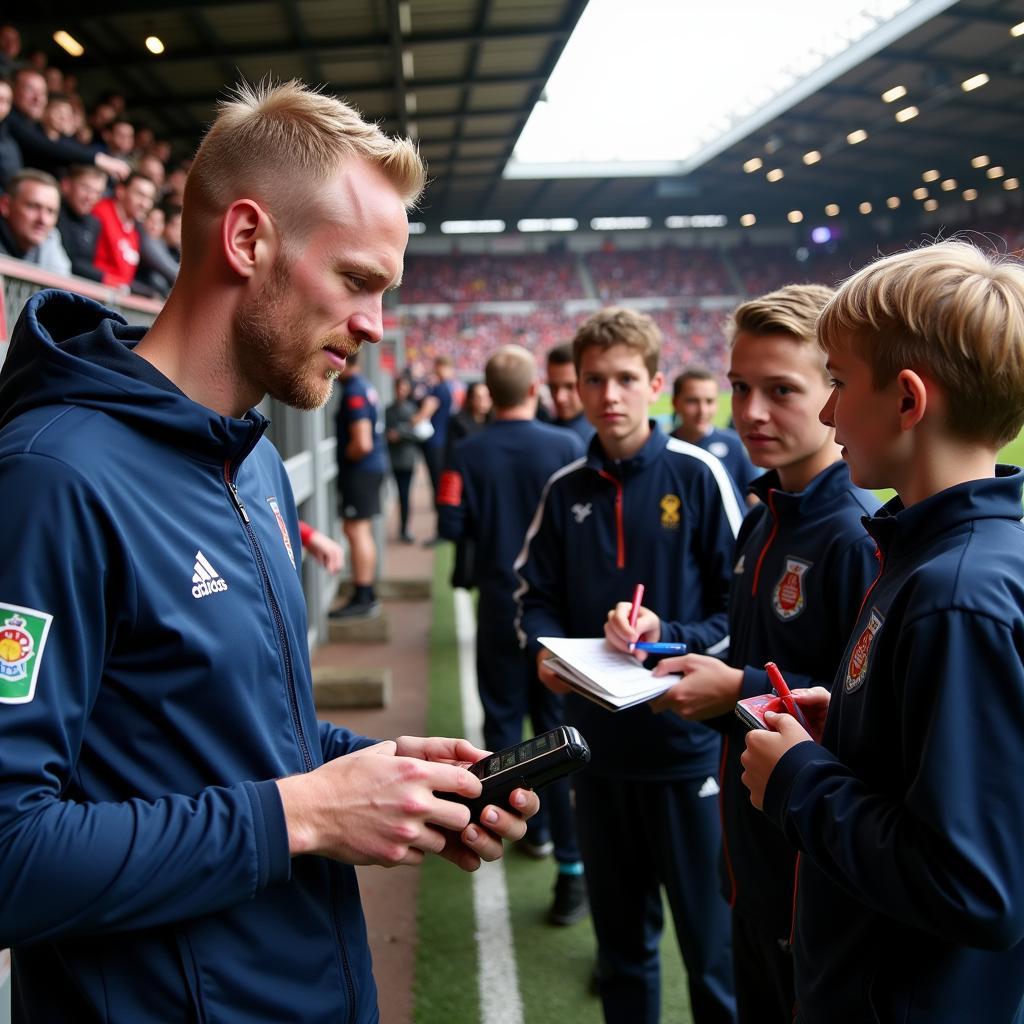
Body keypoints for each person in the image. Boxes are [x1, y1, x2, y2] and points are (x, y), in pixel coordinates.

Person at [0, 78, 538, 1023]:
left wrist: (384, 776)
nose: (376, 325)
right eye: (358, 281)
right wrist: (309, 814)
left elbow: (232, 736)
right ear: (247, 240)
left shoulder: (249, 465)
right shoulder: (52, 480)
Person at [740, 241, 1024, 1024]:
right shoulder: (933, 555)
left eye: (836, 381)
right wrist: (855, 731)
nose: (828, 413)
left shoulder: (955, 595)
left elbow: (974, 887)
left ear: (907, 400)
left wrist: (801, 780)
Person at [606, 284, 879, 1023]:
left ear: (834, 394)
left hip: (813, 869)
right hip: (751, 853)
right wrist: (674, 641)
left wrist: (739, 690)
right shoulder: (764, 520)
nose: (750, 412)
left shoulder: (856, 535)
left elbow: (868, 715)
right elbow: (739, 639)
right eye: (739, 388)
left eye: (781, 390)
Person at [515, 306, 743, 1024]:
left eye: (624, 379)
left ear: (655, 384)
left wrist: (667, 633)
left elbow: (740, 613)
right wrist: (548, 653)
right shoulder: (565, 491)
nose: (608, 395)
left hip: (689, 757)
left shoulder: (700, 476)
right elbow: (533, 599)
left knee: (712, 958)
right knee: (622, 955)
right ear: (576, 388)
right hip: (597, 755)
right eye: (593, 380)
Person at [438, 345, 588, 925]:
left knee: (503, 729)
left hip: (500, 608)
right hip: (553, 616)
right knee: (561, 734)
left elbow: (453, 523)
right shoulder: (567, 445)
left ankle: (521, 830)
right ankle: (572, 869)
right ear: (535, 391)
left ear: (489, 394)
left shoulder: (467, 451)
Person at [331, 348, 387, 620]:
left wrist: (344, 457)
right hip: (370, 469)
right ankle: (366, 593)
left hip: (360, 470)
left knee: (355, 530)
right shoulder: (364, 386)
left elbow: (362, 443)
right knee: (358, 529)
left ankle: (363, 595)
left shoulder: (353, 390)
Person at [671, 365, 758, 499]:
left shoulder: (733, 444)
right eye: (692, 401)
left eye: (709, 401)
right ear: (675, 403)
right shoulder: (664, 448)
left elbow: (752, 497)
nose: (702, 411)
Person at [91, 170, 158, 288]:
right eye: (140, 195)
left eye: (149, 199)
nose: (145, 204)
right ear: (121, 191)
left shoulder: (136, 231)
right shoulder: (100, 213)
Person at [0, 166, 71, 275]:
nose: (43, 220)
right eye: (33, 207)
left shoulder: (50, 238)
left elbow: (62, 286)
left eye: (51, 211)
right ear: (5, 205)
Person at [384, 373, 421, 543]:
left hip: (407, 460)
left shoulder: (412, 409)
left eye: (405, 388)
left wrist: (399, 433)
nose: (402, 391)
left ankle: (405, 528)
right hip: (394, 459)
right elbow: (385, 432)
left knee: (405, 495)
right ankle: (402, 527)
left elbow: (418, 434)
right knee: (398, 495)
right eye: (399, 388)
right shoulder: (388, 410)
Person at [57, 162, 107, 281]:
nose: (90, 197)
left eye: (97, 193)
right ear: (66, 185)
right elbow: (69, 260)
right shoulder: (53, 213)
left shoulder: (95, 224)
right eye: (86, 188)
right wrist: (105, 278)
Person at [546, 341, 596, 443]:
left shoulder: (601, 439)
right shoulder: (545, 429)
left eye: (570, 387)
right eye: (553, 387)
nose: (560, 397)